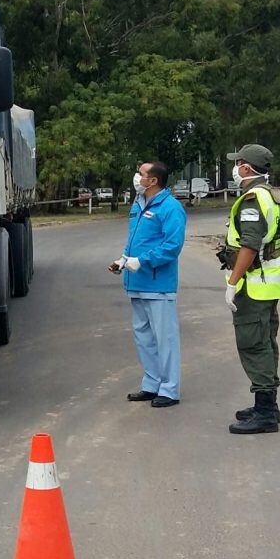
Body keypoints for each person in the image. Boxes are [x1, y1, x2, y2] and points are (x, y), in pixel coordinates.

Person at [222, 145, 280, 435]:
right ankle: (268, 405)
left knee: (254, 344)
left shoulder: (253, 198)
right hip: (269, 283)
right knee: (266, 342)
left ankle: (265, 413)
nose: (234, 168)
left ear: (246, 168)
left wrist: (232, 281)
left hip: (254, 284)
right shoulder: (271, 194)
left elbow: (250, 245)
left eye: (237, 164)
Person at [109, 161, 187, 408]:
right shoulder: (138, 204)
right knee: (144, 337)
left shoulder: (170, 208)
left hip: (158, 284)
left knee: (165, 338)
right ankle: (151, 384)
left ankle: (169, 389)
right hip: (137, 282)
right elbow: (134, 241)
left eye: (140, 174)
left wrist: (142, 261)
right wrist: (123, 261)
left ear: (153, 181)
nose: (136, 177)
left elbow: (172, 246)